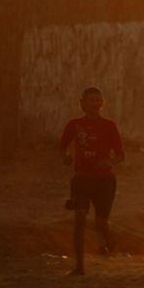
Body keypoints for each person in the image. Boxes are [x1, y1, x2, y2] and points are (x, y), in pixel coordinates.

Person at [59, 87, 125, 276]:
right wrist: (66, 156)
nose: (94, 104)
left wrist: (109, 162)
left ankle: (108, 242)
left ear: (101, 104)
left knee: (100, 223)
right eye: (90, 100)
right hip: (82, 179)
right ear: (82, 104)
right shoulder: (74, 125)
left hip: (104, 181)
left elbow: (121, 155)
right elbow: (63, 146)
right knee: (79, 221)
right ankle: (79, 266)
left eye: (97, 100)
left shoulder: (109, 126)